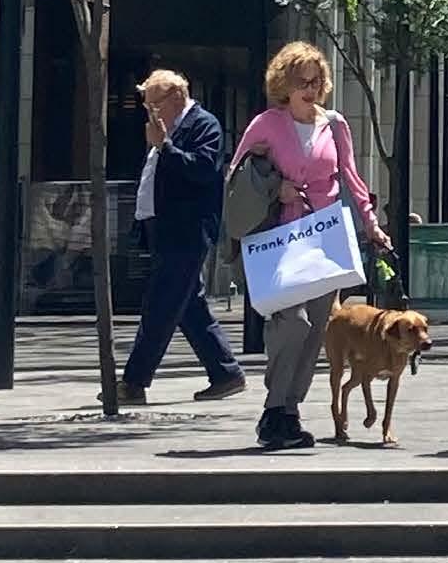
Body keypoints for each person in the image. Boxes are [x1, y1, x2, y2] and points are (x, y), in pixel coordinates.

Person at [229, 41, 391, 452]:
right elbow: (237, 176)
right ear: (283, 84)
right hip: (279, 240)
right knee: (292, 323)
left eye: (317, 81)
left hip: (323, 240)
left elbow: (352, 178)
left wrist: (371, 224)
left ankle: (290, 411)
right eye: (302, 82)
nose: (311, 89)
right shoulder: (267, 124)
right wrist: (275, 187)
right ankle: (273, 409)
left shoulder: (335, 125)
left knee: (317, 326)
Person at [114, 70, 244, 407]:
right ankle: (225, 372)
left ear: (176, 96)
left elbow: (201, 169)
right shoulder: (166, 129)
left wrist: (165, 147)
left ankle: (134, 381)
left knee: (160, 304)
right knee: (188, 306)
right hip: (163, 228)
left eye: (154, 104)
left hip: (187, 230)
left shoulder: (203, 125)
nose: (151, 112)